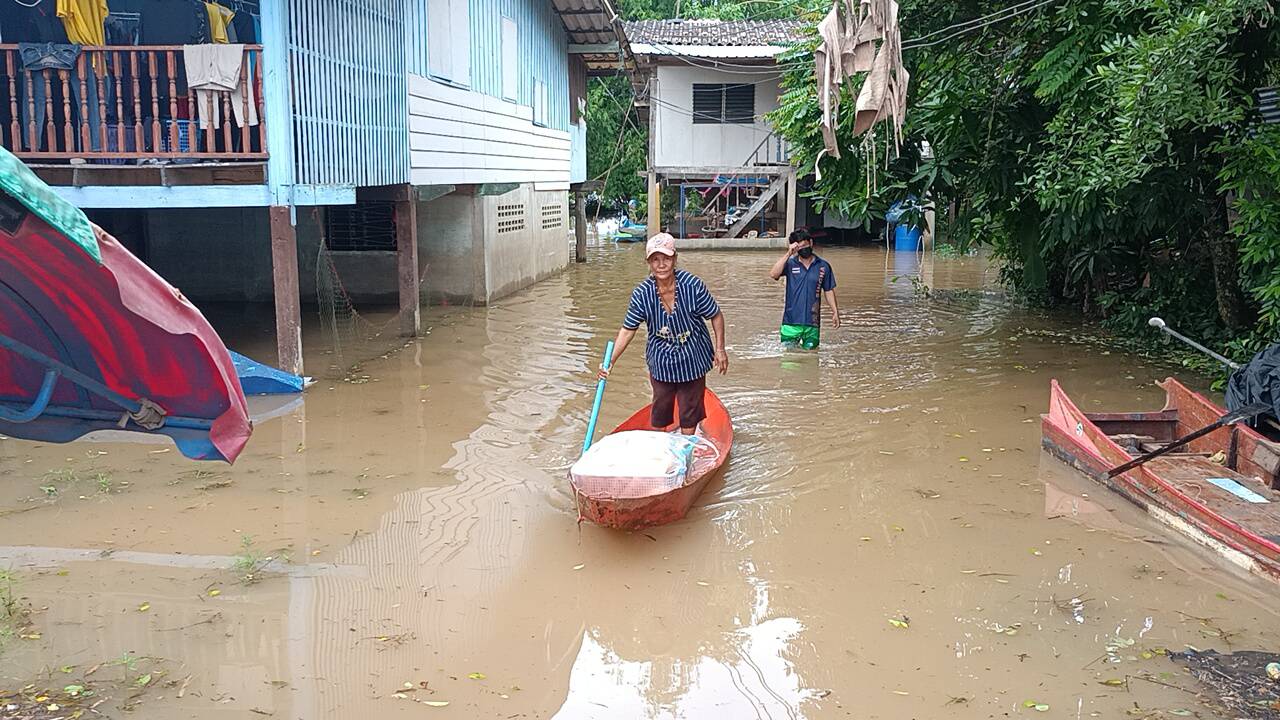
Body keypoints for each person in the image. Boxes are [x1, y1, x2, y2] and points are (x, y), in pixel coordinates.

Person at [599, 233, 728, 435]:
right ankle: (660, 450)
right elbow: (627, 330)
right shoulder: (642, 294)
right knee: (660, 408)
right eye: (655, 260)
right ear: (648, 263)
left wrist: (720, 349)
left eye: (666, 259)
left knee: (689, 410)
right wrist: (610, 362)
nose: (661, 265)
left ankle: (686, 453)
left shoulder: (692, 286)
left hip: (693, 354)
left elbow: (716, 315)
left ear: (674, 259)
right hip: (661, 357)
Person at [768, 228, 839, 349]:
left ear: (811, 243)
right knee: (789, 360)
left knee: (811, 358)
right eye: (799, 248)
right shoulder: (790, 264)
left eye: (805, 246)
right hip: (790, 322)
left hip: (812, 323)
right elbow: (774, 274)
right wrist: (788, 253)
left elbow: (828, 290)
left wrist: (835, 312)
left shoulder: (823, 266)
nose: (803, 250)